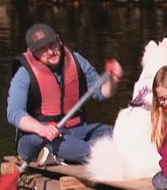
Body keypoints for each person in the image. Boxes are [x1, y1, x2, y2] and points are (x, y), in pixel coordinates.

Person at [7, 23, 123, 164]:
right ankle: (93, 154)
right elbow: (14, 113)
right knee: (74, 147)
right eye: (42, 49)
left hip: (77, 131)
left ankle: (60, 156)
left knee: (118, 133)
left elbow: (102, 93)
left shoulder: (77, 60)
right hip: (38, 137)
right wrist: (42, 129)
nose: (50, 52)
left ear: (59, 40)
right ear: (32, 51)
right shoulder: (24, 73)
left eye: (52, 44)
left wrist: (113, 80)